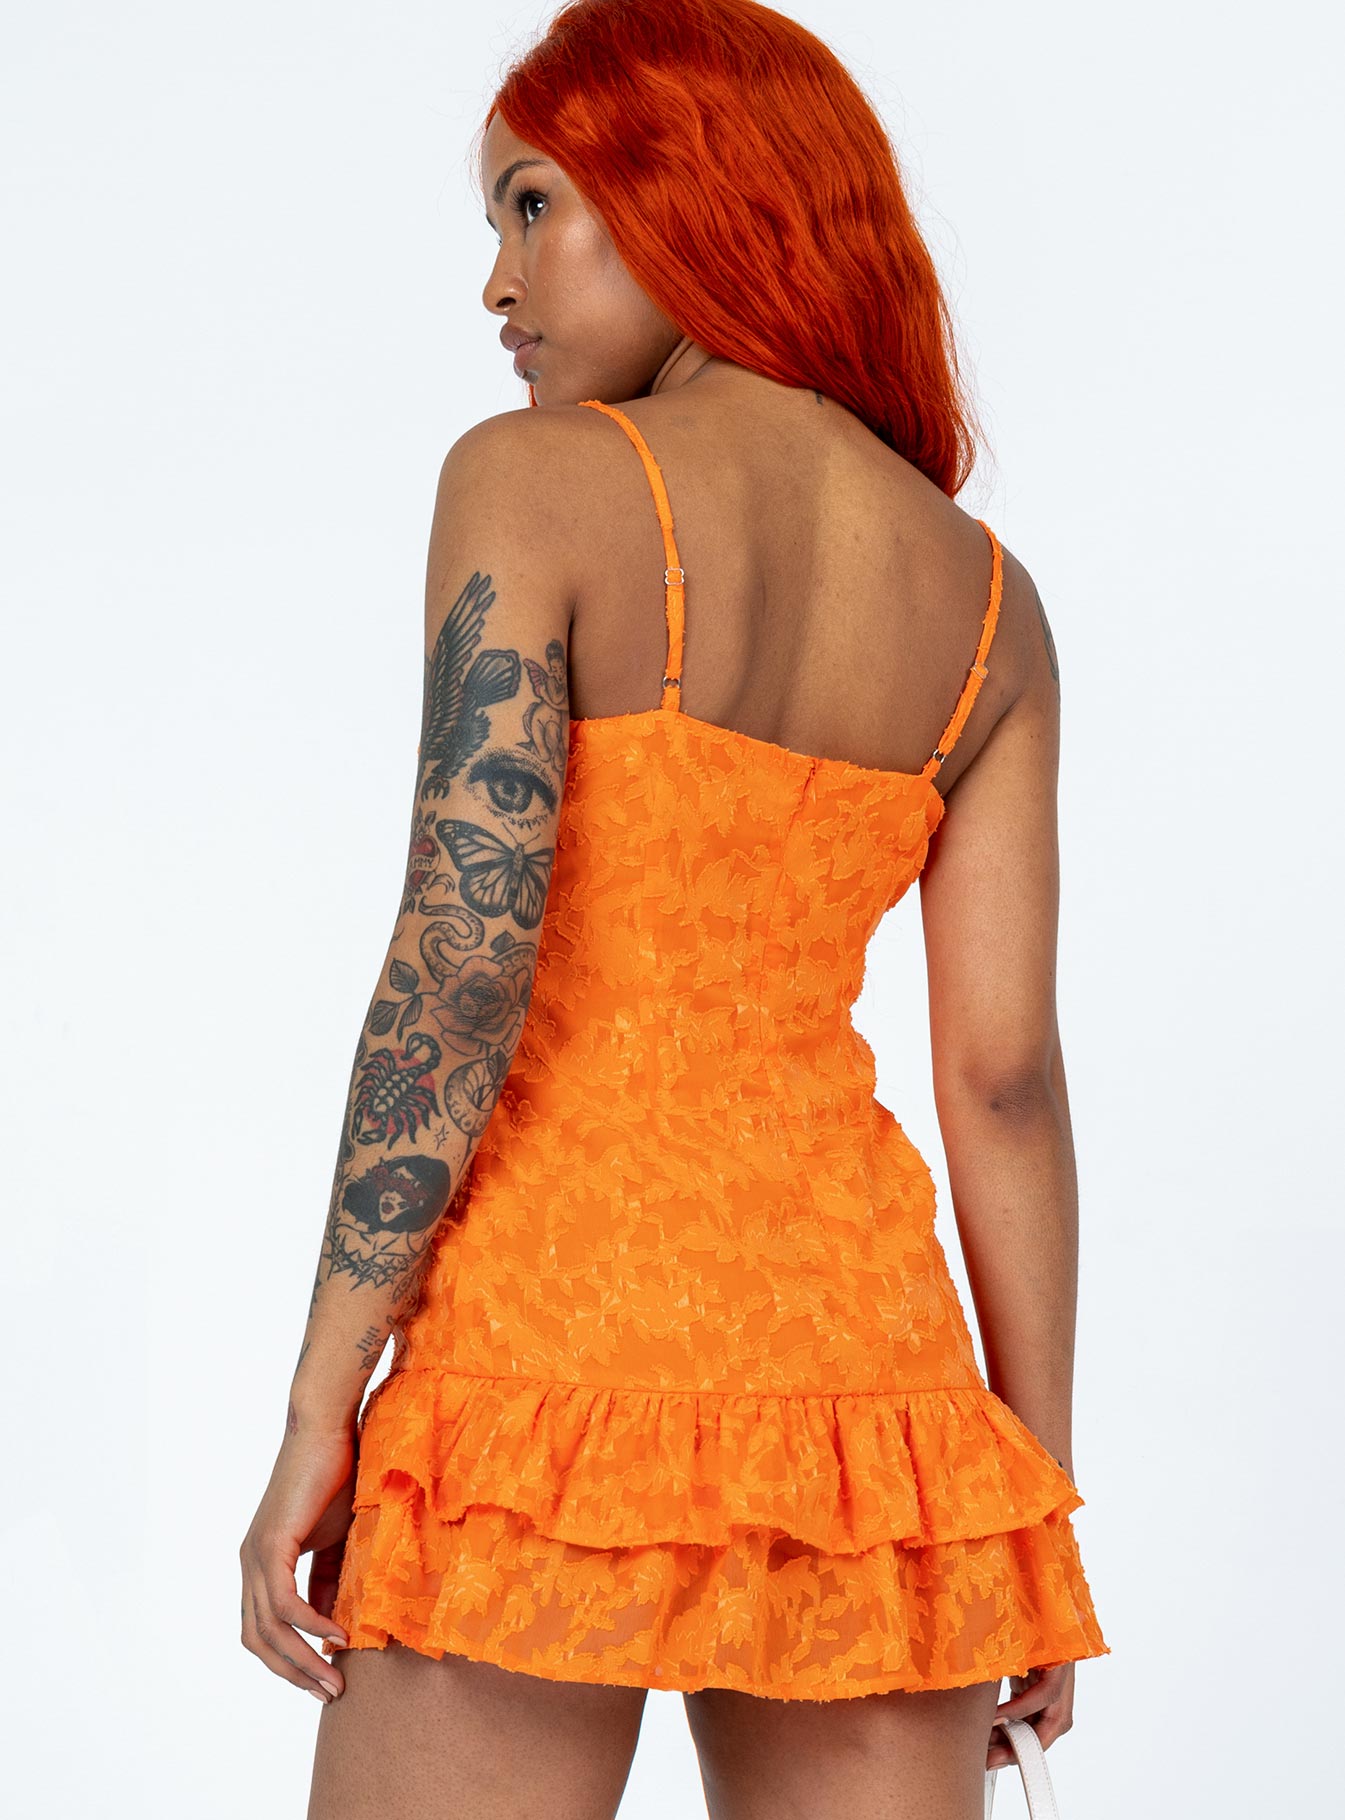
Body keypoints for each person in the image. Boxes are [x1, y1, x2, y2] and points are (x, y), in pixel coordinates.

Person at [239, 3, 1109, 1814]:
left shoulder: (533, 481)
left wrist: (322, 1402)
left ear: (693, 190)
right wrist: (1016, 1503)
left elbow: (459, 969)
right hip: (865, 1413)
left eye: (531, 205)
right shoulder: (987, 605)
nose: (498, 282)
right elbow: (1004, 1081)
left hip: (538, 1370)